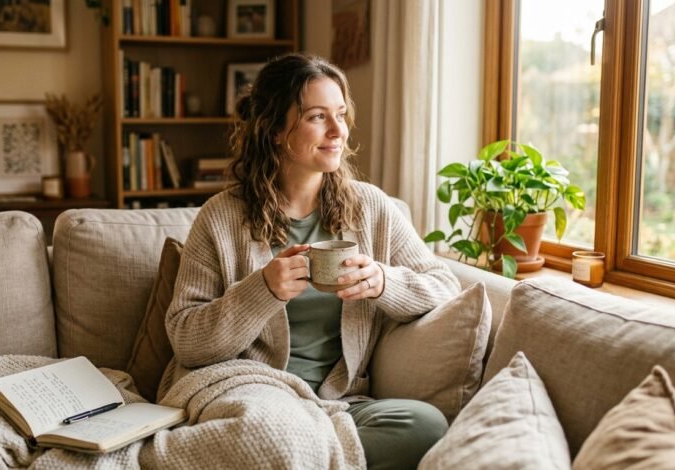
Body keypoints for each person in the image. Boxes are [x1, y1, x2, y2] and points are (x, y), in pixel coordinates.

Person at [165, 53, 461, 469]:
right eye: (318, 117)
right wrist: (262, 291)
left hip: (336, 402)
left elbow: (444, 285)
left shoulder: (370, 208)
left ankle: (293, 454)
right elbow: (185, 339)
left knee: (425, 425)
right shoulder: (221, 217)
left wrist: (382, 282)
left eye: (340, 114)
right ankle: (288, 449)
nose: (338, 130)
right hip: (252, 389)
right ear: (274, 130)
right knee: (270, 433)